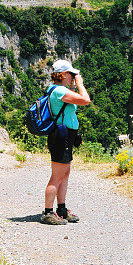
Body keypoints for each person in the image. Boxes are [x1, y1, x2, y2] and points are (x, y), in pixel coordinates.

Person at [41, 59, 91, 225]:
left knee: (64, 174)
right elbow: (85, 100)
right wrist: (81, 84)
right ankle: (48, 213)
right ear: (62, 75)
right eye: (71, 74)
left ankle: (61, 209)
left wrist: (73, 85)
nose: (74, 77)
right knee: (57, 176)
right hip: (61, 137)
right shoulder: (58, 91)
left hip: (65, 136)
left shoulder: (60, 90)